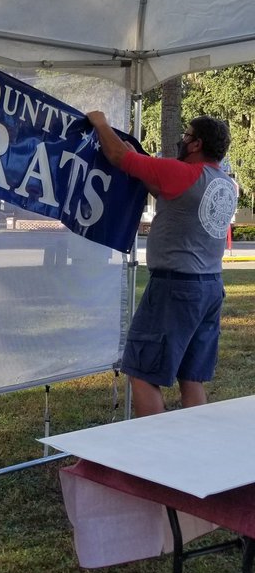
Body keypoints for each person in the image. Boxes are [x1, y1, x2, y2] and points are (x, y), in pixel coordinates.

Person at [86, 112, 237, 417]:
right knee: (191, 377)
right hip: (209, 288)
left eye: (186, 134)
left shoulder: (181, 173)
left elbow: (116, 155)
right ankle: (192, 450)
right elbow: (165, 191)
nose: (182, 140)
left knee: (142, 372)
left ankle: (153, 456)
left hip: (175, 288)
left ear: (196, 144)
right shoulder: (223, 184)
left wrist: (99, 122)